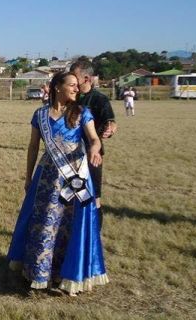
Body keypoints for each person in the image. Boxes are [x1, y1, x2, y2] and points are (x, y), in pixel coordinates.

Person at [7, 71, 108, 295]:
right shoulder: (40, 114)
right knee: (44, 224)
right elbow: (33, 147)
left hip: (75, 177)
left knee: (71, 226)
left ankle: (68, 274)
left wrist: (94, 149)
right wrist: (28, 177)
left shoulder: (82, 112)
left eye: (76, 85)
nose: (76, 89)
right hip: (47, 179)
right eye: (71, 85)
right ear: (57, 88)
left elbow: (94, 138)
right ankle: (40, 272)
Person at [69, 60, 116, 228]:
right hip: (69, 156)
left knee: (94, 197)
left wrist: (110, 129)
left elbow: (110, 122)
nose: (71, 81)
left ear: (86, 78)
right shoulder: (70, 97)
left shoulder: (99, 100)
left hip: (91, 156)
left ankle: (94, 236)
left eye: (74, 77)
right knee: (69, 198)